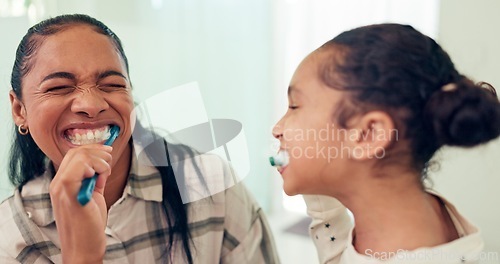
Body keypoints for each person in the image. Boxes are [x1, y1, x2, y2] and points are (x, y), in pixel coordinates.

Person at [0, 14, 280, 264]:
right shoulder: (9, 240)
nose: (91, 104)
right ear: (19, 109)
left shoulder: (210, 183)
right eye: (59, 87)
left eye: (112, 85)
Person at [271, 23, 500, 263]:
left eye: (295, 106)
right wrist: (318, 195)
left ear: (370, 134)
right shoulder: (419, 220)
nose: (277, 130)